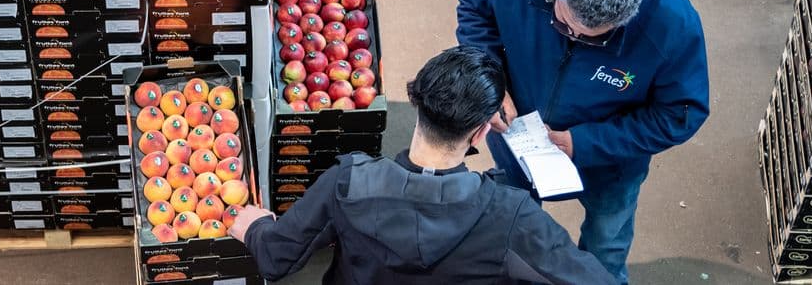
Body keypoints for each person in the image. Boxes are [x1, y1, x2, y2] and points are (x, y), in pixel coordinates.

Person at [229, 46, 615, 285]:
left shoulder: (348, 182)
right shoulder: (512, 217)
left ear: (416, 103)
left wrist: (257, 228)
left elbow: (276, 258)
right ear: (481, 133)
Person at [455, 0, 710, 283]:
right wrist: (491, 80)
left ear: (628, 17)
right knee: (510, 228)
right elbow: (474, 9)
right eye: (565, 24)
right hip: (516, 138)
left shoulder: (671, 25)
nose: (573, 36)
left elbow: (682, 113)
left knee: (606, 247)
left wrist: (587, 143)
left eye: (591, 38)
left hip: (609, 164)